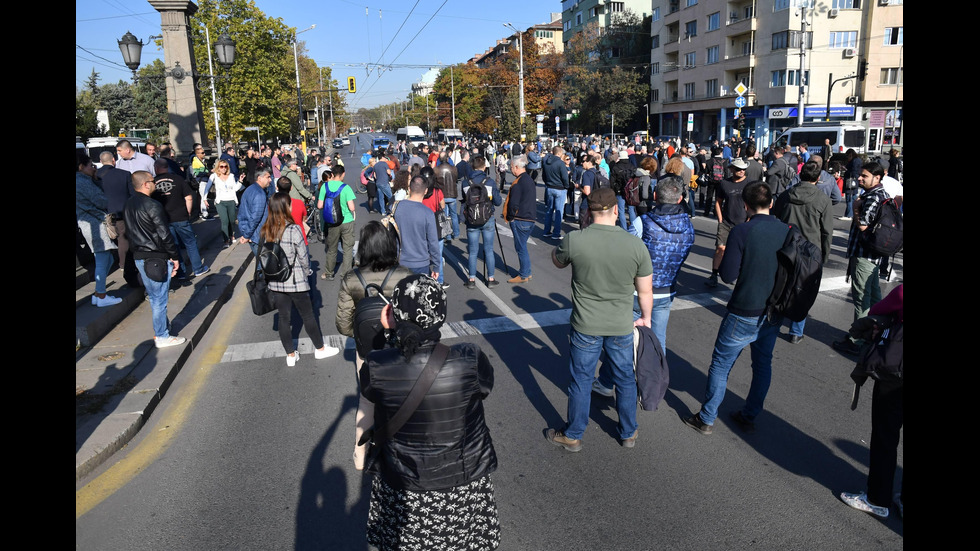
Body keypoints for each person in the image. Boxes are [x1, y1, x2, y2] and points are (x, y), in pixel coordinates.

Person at [358, 274, 500, 550]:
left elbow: (372, 393)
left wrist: (388, 334)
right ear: (440, 314)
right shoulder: (469, 356)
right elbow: (484, 388)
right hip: (463, 479)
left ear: (395, 314)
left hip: (404, 483)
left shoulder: (376, 365)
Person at [546, 188, 654, 451]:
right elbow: (645, 290)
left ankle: (573, 434)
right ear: (616, 210)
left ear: (589, 212)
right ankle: (628, 432)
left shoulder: (575, 239)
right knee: (625, 379)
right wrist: (647, 318)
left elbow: (557, 261)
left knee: (581, 379)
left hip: (586, 325)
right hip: (620, 324)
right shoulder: (635, 244)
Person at [684, 182, 790, 435]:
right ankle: (750, 413)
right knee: (763, 364)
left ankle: (706, 417)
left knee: (721, 364)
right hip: (774, 310)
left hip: (744, 308)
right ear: (772, 203)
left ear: (745, 206)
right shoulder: (787, 230)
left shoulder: (742, 231)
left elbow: (728, 276)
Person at [840, 284, 903, 520]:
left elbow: (877, 309)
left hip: (896, 370)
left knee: (885, 435)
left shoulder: (902, 293)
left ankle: (877, 498)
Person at [260, 192, 340, 366]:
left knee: (283, 318)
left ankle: (290, 355)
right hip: (295, 281)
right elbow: (304, 257)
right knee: (308, 315)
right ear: (286, 207)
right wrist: (307, 272)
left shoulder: (267, 230)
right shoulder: (293, 228)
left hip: (276, 281)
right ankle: (319, 349)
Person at [773, 160, 834, 344]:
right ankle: (795, 331)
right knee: (803, 290)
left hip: (786, 247)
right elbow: (826, 232)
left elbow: (775, 219)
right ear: (818, 178)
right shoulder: (822, 199)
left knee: (781, 285)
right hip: (810, 251)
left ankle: (773, 323)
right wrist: (824, 256)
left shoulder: (786, 195)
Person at [833, 162, 891, 356]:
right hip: (874, 255)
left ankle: (857, 340)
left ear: (877, 178)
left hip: (864, 255)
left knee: (861, 299)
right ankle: (878, 333)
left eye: (864, 176)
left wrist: (856, 208)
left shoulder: (873, 197)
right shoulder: (883, 194)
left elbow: (864, 226)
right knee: (875, 298)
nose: (859, 178)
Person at [124, 171, 185, 348]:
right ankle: (162, 335)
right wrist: (174, 256)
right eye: (153, 181)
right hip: (156, 257)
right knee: (159, 299)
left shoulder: (128, 204)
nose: (155, 184)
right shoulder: (153, 205)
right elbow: (164, 234)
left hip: (139, 257)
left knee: (154, 296)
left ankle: (163, 328)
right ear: (145, 184)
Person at [77, 151, 122, 307]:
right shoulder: (82, 182)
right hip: (95, 224)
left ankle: (99, 293)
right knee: (103, 259)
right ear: (81, 167)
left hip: (91, 223)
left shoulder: (81, 180)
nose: (94, 168)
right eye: (90, 165)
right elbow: (101, 200)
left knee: (106, 258)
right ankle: (101, 295)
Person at [153, 159, 210, 278]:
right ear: (167, 167)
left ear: (156, 168)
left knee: (173, 246)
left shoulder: (153, 182)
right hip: (180, 216)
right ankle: (198, 268)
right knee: (190, 242)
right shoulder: (177, 179)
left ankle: (181, 272)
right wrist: (188, 211)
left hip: (164, 219)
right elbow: (189, 197)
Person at [705, 158, 750, 288]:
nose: (741, 171)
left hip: (743, 223)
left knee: (740, 252)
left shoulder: (749, 183)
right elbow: (718, 202)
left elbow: (752, 203)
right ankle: (714, 275)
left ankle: (735, 275)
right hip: (726, 223)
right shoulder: (725, 183)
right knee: (720, 249)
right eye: (738, 169)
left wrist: (749, 220)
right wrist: (720, 219)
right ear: (731, 169)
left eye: (743, 169)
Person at [463, 155, 503, 289]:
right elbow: (497, 202)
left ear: (472, 166)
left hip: (472, 219)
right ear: (484, 167)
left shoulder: (466, 182)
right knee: (489, 249)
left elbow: (464, 201)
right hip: (488, 218)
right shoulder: (489, 182)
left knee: (473, 251)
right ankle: (490, 278)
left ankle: (471, 279)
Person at [393, 176, 441, 280]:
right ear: (426, 191)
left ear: (409, 189)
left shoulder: (396, 207)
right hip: (421, 263)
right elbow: (433, 242)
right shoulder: (427, 213)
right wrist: (437, 266)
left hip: (400, 261)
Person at [318, 164, 356, 280]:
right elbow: (352, 208)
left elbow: (319, 205)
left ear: (332, 174)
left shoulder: (325, 186)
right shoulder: (346, 188)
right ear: (343, 174)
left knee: (332, 248)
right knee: (348, 248)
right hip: (347, 221)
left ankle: (329, 273)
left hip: (332, 222)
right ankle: (345, 274)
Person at [504, 155, 535, 283]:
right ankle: (527, 272)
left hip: (520, 219)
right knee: (523, 247)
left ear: (516, 167)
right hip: (530, 218)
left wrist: (510, 218)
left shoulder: (518, 182)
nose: (510, 169)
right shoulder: (529, 179)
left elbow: (513, 204)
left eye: (511, 167)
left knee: (521, 248)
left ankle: (523, 274)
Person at [204, 158, 242, 247]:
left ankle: (231, 235)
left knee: (232, 220)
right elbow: (207, 187)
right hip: (220, 201)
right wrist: (204, 198)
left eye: (225, 166)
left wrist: (240, 181)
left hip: (231, 200)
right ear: (218, 168)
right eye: (221, 167)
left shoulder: (231, 176)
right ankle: (226, 240)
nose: (224, 168)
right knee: (225, 221)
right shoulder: (214, 176)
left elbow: (235, 188)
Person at [238, 168, 273, 256]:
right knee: (263, 263)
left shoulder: (250, 189)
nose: (270, 179)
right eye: (268, 177)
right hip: (257, 235)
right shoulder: (259, 194)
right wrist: (246, 235)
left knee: (261, 262)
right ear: (259, 178)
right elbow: (255, 218)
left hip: (252, 233)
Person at [542, 146, 570, 240]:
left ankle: (546, 231)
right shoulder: (560, 163)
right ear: (559, 153)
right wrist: (566, 186)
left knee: (549, 210)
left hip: (549, 187)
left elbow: (544, 176)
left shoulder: (546, 162)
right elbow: (565, 177)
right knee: (558, 211)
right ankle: (556, 233)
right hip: (560, 188)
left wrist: (548, 183)